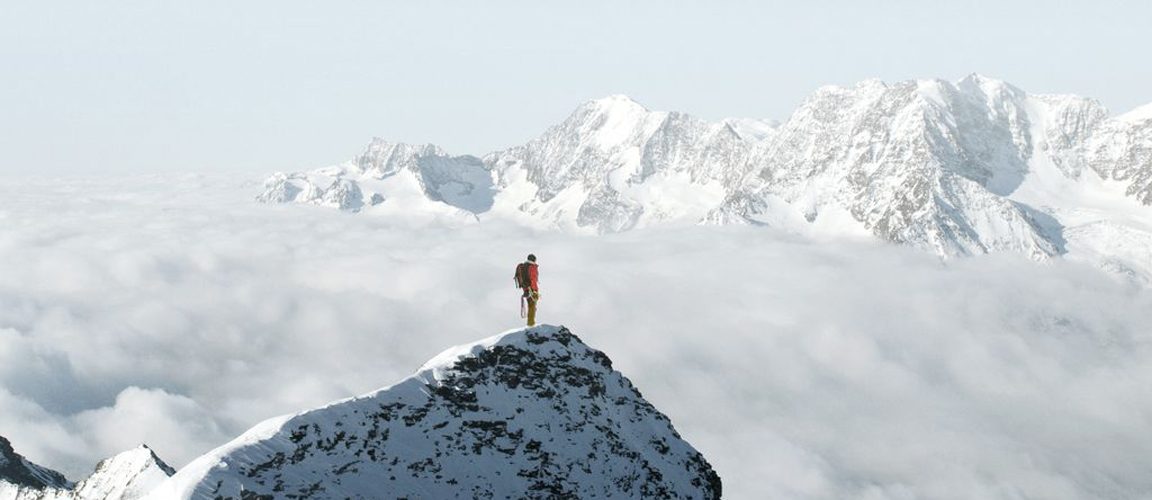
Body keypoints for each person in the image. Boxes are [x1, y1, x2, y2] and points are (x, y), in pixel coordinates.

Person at [514, 254, 540, 326]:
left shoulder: (524, 266)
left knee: (531, 306)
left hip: (526, 289)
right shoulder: (531, 267)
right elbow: (533, 279)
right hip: (531, 290)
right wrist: (534, 290)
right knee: (532, 306)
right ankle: (531, 324)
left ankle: (530, 322)